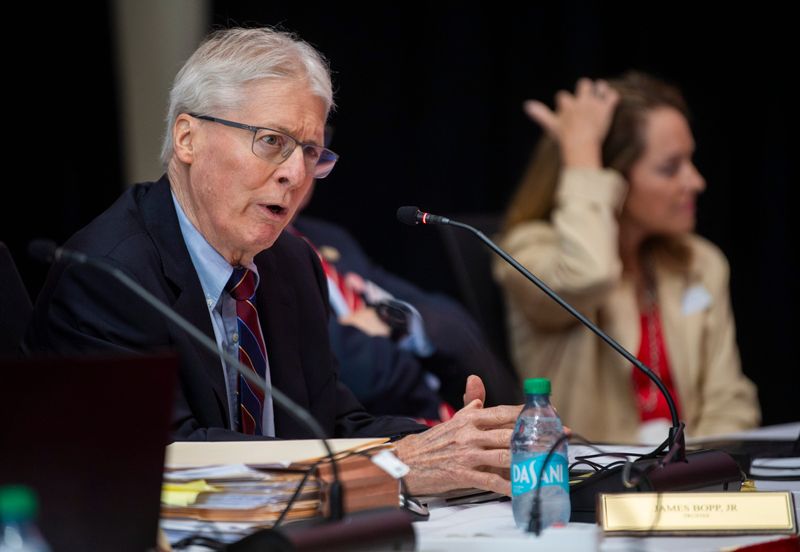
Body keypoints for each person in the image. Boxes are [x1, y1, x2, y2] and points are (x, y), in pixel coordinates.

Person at [25, 27, 518, 496]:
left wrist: (458, 445)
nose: (295, 174)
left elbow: (328, 426)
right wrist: (396, 470)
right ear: (187, 139)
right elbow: (174, 462)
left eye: (310, 151)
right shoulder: (108, 276)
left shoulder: (289, 264)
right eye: (271, 142)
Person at [493, 72, 760, 443]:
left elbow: (730, 401)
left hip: (694, 484)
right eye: (671, 167)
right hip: (591, 487)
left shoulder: (699, 262)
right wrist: (584, 149)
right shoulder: (526, 253)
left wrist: (697, 472)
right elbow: (590, 274)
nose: (696, 181)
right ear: (611, 177)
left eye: (690, 161)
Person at [289, 187, 520, 424]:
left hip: (426, 407)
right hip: (369, 425)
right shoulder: (267, 254)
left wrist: (390, 320)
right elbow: (358, 371)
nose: (298, 171)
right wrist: (421, 387)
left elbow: (449, 320)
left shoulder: (329, 238)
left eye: (312, 154)